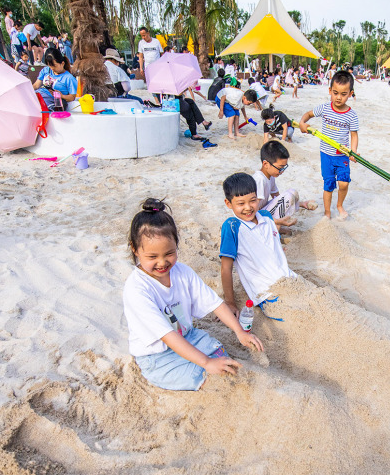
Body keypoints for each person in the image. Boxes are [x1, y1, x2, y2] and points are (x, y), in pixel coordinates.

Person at [123, 198, 262, 391]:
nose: (162, 263)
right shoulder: (137, 289)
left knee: (222, 358)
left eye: (169, 254)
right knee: (204, 376)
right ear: (135, 249)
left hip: (189, 336)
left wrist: (239, 331)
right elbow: (168, 336)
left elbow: (214, 303)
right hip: (158, 356)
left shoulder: (183, 272)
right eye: (152, 257)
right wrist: (206, 363)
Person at [219, 173, 297, 316]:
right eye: (241, 203)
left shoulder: (266, 217)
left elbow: (272, 244)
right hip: (267, 293)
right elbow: (226, 268)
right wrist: (230, 302)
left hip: (290, 279)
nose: (248, 207)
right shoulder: (232, 226)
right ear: (228, 203)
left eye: (253, 201)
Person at [298, 70, 359, 220]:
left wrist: (354, 151)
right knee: (329, 184)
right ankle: (327, 212)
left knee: (344, 183)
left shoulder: (351, 115)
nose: (339, 97)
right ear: (330, 90)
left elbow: (354, 135)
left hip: (342, 155)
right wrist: (302, 122)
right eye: (335, 93)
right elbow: (308, 114)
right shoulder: (325, 108)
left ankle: (339, 205)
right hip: (326, 154)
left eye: (343, 94)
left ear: (350, 94)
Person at [252, 141, 317, 229]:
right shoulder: (259, 179)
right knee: (288, 196)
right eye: (279, 168)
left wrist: (301, 204)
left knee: (292, 192)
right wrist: (276, 221)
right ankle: (274, 230)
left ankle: (275, 226)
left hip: (263, 212)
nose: (282, 171)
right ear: (266, 164)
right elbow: (252, 209)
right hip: (255, 217)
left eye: (284, 168)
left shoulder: (270, 176)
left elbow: (277, 197)